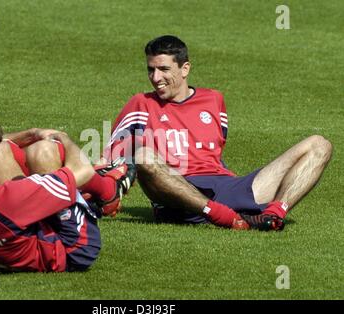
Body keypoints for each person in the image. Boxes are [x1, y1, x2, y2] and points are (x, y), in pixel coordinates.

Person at [104, 35, 332, 231]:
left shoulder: (214, 100)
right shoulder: (140, 103)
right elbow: (112, 153)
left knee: (319, 145)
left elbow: (214, 151)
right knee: (142, 155)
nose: (155, 78)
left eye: (163, 69)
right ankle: (220, 215)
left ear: (185, 69)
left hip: (228, 187)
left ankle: (273, 215)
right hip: (178, 196)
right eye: (151, 70)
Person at [0, 118, 135, 272]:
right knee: (45, 153)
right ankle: (108, 192)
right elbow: (83, 170)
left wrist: (33, 133)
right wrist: (62, 138)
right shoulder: (7, 200)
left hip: (10, 242)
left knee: (14, 150)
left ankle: (83, 194)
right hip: (73, 248)